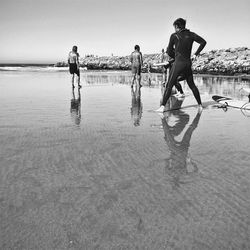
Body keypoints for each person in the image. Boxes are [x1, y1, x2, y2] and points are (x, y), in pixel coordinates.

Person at [155, 18, 206, 112]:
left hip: (178, 63)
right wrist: (195, 54)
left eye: (174, 27)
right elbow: (203, 42)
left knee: (169, 85)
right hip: (188, 63)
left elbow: (169, 51)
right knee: (192, 85)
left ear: (176, 26)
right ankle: (200, 105)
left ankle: (162, 107)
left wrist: (173, 58)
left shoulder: (174, 36)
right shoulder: (191, 34)